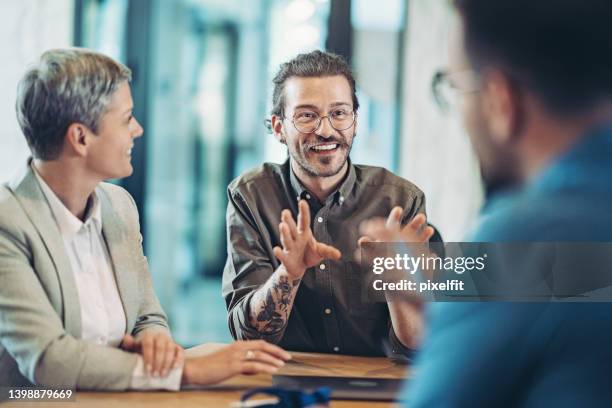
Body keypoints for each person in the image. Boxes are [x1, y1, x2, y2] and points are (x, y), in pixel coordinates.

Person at [362, 0, 612, 405]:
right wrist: (437, 288)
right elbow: (575, 274)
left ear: (500, 101)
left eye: (459, 89)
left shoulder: (521, 235)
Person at [0, 48, 290, 391]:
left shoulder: (119, 206)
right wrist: (184, 370)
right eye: (126, 118)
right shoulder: (9, 224)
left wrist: (156, 343)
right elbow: (50, 361)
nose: (137, 129)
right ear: (80, 137)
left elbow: (148, 318)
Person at [222, 50, 434, 358]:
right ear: (279, 127)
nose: (325, 130)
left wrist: (398, 286)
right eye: (307, 115)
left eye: (339, 113)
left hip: (376, 383)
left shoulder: (400, 201)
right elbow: (249, 336)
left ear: (355, 122)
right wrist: (288, 274)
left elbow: (415, 348)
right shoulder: (251, 196)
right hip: (285, 380)